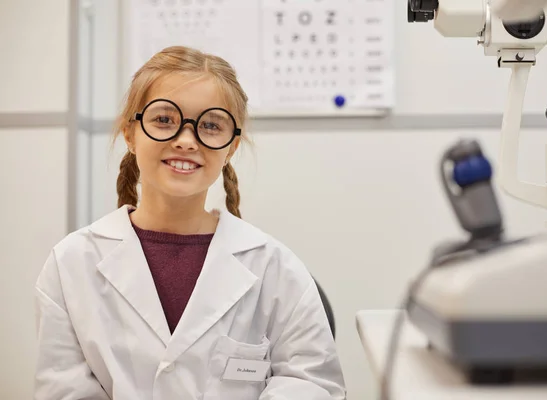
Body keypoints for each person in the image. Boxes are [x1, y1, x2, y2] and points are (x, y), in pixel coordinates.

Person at [33, 46, 346, 400]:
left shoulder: (276, 267)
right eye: (164, 119)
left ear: (231, 146)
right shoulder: (70, 264)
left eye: (211, 125)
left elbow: (312, 383)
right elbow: (64, 391)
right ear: (130, 133)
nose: (186, 140)